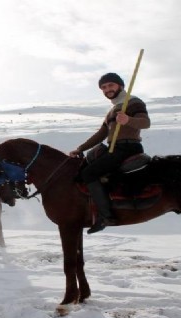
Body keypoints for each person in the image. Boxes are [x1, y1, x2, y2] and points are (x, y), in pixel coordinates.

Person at [69, 73, 150, 234]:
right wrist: (80, 149)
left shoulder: (133, 102)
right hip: (114, 148)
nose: (107, 89)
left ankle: (106, 216)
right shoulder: (113, 110)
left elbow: (146, 123)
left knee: (89, 173)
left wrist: (128, 120)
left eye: (110, 85)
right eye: (104, 87)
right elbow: (101, 134)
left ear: (120, 86)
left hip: (128, 148)